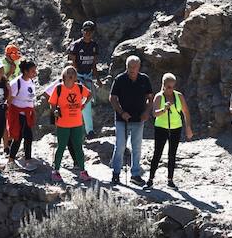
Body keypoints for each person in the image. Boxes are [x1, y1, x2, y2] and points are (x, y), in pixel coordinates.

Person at [109, 55, 153, 185]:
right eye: (130, 67)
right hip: (122, 119)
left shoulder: (144, 79)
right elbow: (112, 98)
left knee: (137, 147)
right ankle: (116, 173)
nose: (132, 69)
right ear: (126, 67)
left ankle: (135, 174)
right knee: (121, 145)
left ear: (139, 67)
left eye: (135, 67)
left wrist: (146, 112)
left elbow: (150, 98)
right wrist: (122, 112)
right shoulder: (120, 79)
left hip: (139, 118)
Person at [47, 64, 92, 184]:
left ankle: (82, 171)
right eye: (69, 73)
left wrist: (84, 104)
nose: (71, 75)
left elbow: (90, 94)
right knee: (61, 147)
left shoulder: (80, 87)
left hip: (77, 123)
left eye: (73, 73)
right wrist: (55, 110)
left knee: (78, 147)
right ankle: (55, 171)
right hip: (63, 123)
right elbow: (52, 103)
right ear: (64, 76)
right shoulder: (59, 88)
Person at [148, 73, 192, 190]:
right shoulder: (159, 97)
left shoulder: (179, 96)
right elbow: (154, 113)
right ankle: (150, 179)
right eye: (168, 86)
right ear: (163, 85)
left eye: (172, 86)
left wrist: (188, 127)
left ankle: (170, 180)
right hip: (161, 127)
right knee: (157, 153)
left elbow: (186, 112)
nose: (170, 89)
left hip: (176, 128)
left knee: (172, 154)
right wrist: (164, 109)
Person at [67, 20, 100, 136]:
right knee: (80, 102)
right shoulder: (76, 45)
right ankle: (84, 130)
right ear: (82, 31)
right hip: (78, 77)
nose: (87, 33)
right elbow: (72, 62)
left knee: (87, 102)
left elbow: (94, 64)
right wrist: (74, 79)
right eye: (85, 30)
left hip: (88, 76)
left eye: (90, 31)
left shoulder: (94, 46)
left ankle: (88, 131)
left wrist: (98, 80)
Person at [6, 59, 39, 169]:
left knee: (29, 137)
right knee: (17, 137)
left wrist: (32, 110)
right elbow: (10, 99)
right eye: (33, 71)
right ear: (25, 71)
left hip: (27, 114)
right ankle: (11, 160)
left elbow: (31, 98)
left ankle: (28, 159)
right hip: (18, 114)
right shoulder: (16, 83)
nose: (35, 73)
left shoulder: (31, 82)